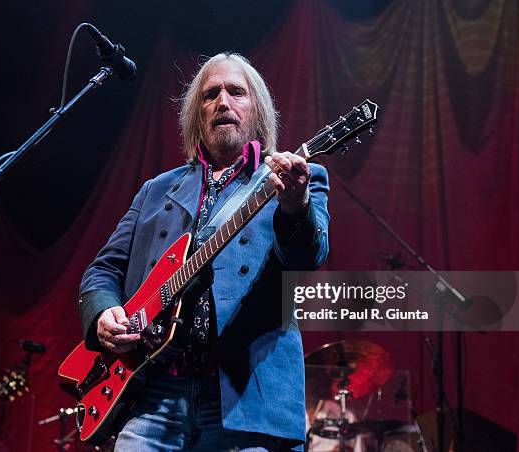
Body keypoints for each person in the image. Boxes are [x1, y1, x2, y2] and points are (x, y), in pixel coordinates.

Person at [78, 52, 330, 451]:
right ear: (197, 115)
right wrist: (102, 314)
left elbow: (306, 257)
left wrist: (295, 205)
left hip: (247, 397)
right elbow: (102, 271)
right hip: (153, 395)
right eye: (210, 95)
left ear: (257, 111)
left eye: (236, 92)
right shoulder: (156, 190)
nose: (222, 103)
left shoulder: (292, 179)